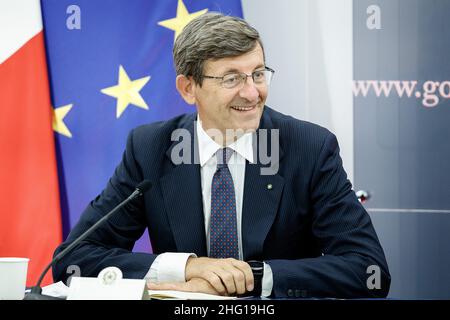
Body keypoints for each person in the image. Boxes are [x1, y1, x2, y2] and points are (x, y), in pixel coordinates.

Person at [53, 12, 390, 298]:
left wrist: (251, 276)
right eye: (232, 78)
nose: (252, 92)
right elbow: (74, 260)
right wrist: (189, 267)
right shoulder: (151, 148)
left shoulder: (309, 147)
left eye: (258, 74)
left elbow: (369, 270)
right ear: (188, 89)